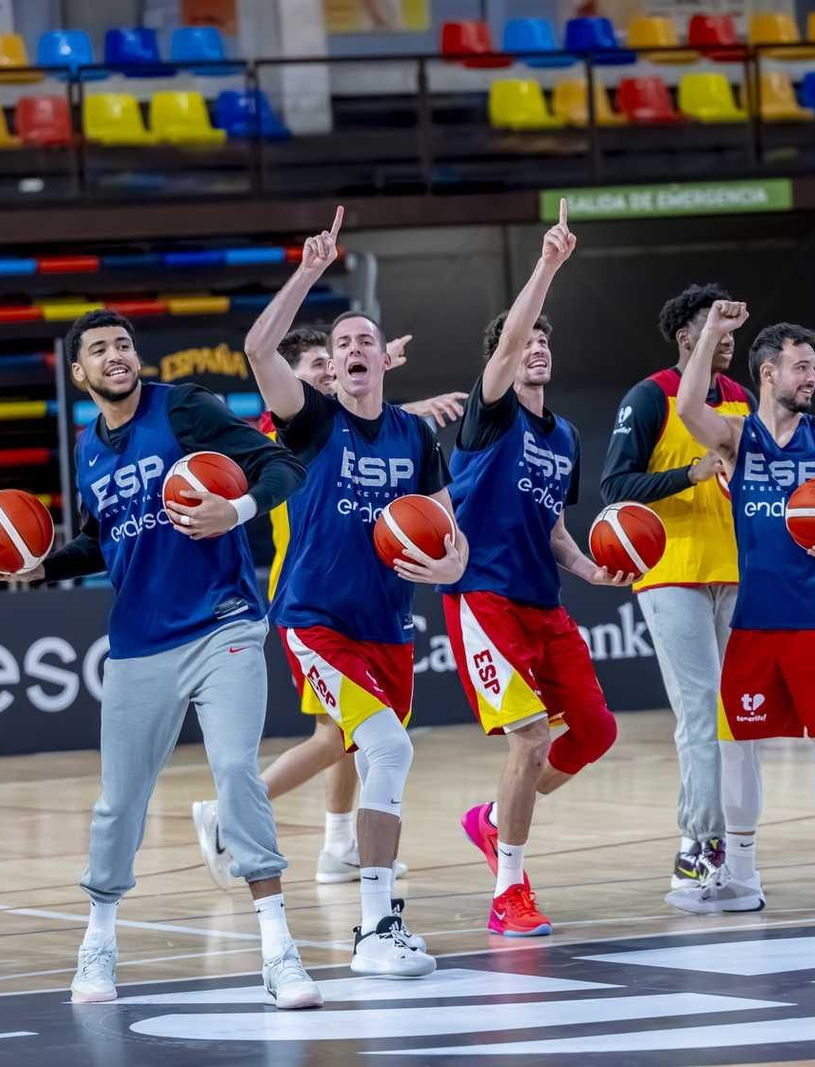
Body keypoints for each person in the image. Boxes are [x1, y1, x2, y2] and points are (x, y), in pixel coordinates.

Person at [0, 308, 322, 1011]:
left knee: (233, 770)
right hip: (138, 642)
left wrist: (240, 510)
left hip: (223, 623)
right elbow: (104, 538)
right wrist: (42, 565)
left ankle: (278, 945)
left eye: (123, 344)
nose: (115, 355)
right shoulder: (87, 447)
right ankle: (99, 936)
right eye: (98, 349)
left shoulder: (186, 409)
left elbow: (284, 465)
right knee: (119, 802)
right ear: (80, 374)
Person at [239, 207, 467, 977]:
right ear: (331, 368)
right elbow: (258, 347)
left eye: (367, 340)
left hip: (388, 627)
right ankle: (376, 929)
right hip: (314, 618)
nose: (356, 349)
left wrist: (451, 565)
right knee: (389, 746)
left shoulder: (413, 435)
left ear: (382, 359)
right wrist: (310, 270)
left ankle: (369, 912)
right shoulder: (310, 422)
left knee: (377, 757)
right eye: (344, 345)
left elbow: (447, 528)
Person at [202, 325, 465, 885]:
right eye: (321, 361)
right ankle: (235, 815)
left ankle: (339, 842)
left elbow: (373, 421)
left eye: (343, 353)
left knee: (351, 737)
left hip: (378, 605)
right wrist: (371, 366)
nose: (330, 367)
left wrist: (382, 369)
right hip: (310, 597)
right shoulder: (292, 423)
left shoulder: (404, 435)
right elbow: (333, 411)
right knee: (347, 737)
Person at [444, 202, 628, 937]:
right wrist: (547, 265)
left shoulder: (568, 435)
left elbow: (549, 519)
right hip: (482, 596)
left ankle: (493, 820)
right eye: (526, 343)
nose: (537, 350)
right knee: (528, 737)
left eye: (545, 343)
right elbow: (513, 334)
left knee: (595, 731)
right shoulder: (491, 414)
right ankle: (508, 888)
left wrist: (584, 565)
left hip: (542, 601)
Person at [669, 308, 815, 917]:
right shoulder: (735, 435)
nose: (811, 377)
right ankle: (743, 878)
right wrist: (708, 334)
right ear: (768, 372)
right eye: (801, 366)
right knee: (735, 748)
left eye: (813, 367)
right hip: (755, 618)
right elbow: (685, 410)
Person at [601, 283, 753, 889]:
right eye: (715, 328)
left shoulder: (743, 398)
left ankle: (734, 845)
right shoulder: (649, 396)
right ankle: (696, 844)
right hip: (672, 573)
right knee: (698, 710)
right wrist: (688, 473)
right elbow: (615, 486)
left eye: (733, 330)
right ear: (687, 337)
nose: (728, 340)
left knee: (736, 716)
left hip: (736, 571)